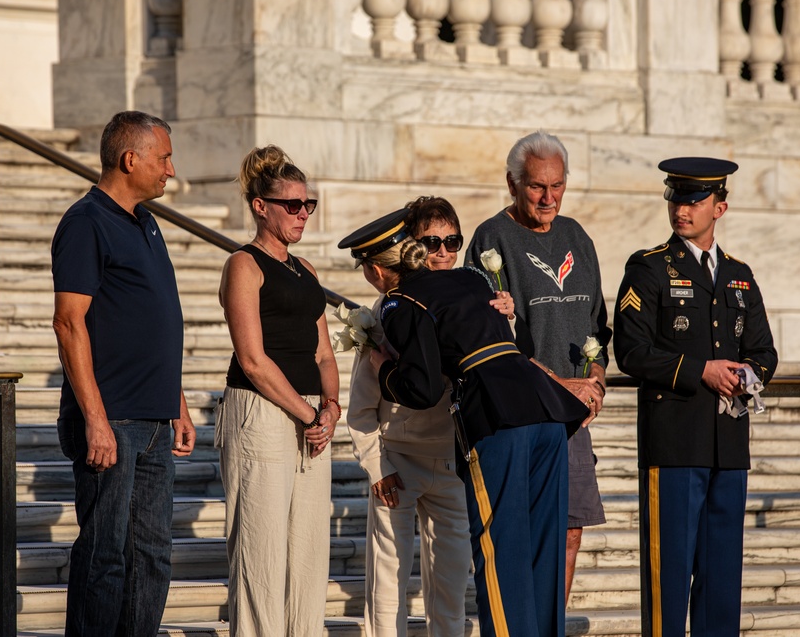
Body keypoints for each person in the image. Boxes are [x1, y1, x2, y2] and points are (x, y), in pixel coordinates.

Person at [339, 209, 589, 637]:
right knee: (542, 549)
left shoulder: (401, 303)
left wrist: (383, 366)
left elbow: (420, 388)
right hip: (544, 412)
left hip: (492, 421)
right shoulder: (474, 280)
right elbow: (513, 346)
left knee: (499, 552)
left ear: (376, 270)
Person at [612, 157, 778, 637]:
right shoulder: (648, 268)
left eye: (693, 200)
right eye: (675, 197)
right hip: (676, 442)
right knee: (669, 583)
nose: (680, 208)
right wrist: (699, 370)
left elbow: (764, 351)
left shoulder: (739, 275)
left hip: (728, 444)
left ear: (719, 207)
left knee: (722, 582)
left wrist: (747, 373)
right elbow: (632, 351)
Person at [51, 110, 196, 637]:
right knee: (105, 556)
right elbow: (69, 324)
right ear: (129, 159)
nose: (171, 171)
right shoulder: (86, 222)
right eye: (163, 158)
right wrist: (95, 418)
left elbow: (155, 321)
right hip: (113, 420)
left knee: (152, 557)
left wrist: (175, 403)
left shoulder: (146, 221)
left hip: (154, 420)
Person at [347, 196, 512, 637]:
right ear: (410, 250)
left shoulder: (480, 299)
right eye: (431, 242)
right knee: (387, 579)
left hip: (451, 462)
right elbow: (362, 404)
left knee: (452, 582)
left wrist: (504, 319)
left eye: (452, 242)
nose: (442, 253)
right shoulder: (390, 311)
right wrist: (376, 465)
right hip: (398, 462)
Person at [466, 129, 610, 597]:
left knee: (569, 533)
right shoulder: (492, 238)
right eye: (536, 186)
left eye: (557, 185)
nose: (548, 197)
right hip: (521, 415)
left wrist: (596, 381)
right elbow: (491, 341)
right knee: (524, 534)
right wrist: (561, 386)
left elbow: (597, 324)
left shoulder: (577, 237)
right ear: (512, 183)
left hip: (573, 419)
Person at [216, 144, 341, 636]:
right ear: (260, 206)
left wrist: (330, 407)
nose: (302, 214)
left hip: (310, 413)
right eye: (292, 204)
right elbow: (252, 359)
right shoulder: (243, 265)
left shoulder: (307, 270)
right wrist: (308, 415)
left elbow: (324, 353)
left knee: (308, 553)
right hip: (261, 411)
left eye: (307, 204)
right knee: (260, 554)